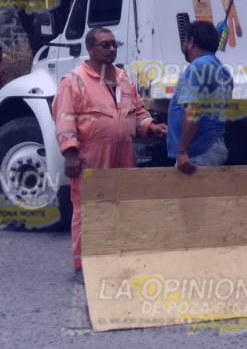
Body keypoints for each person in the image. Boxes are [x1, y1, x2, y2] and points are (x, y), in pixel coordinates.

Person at [51, 27, 166, 282]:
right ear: (90, 49)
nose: (112, 49)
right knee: (88, 208)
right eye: (105, 45)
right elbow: (64, 119)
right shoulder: (74, 81)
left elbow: (136, 112)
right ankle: (82, 265)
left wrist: (150, 126)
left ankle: (115, 259)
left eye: (114, 44)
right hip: (91, 156)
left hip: (124, 154)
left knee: (120, 206)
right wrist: (70, 153)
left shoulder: (124, 78)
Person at [169, 20, 233, 174]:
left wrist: (183, 152)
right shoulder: (224, 72)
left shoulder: (198, 67)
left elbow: (193, 110)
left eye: (185, 41)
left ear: (190, 42)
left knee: (187, 197)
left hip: (198, 152)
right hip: (213, 146)